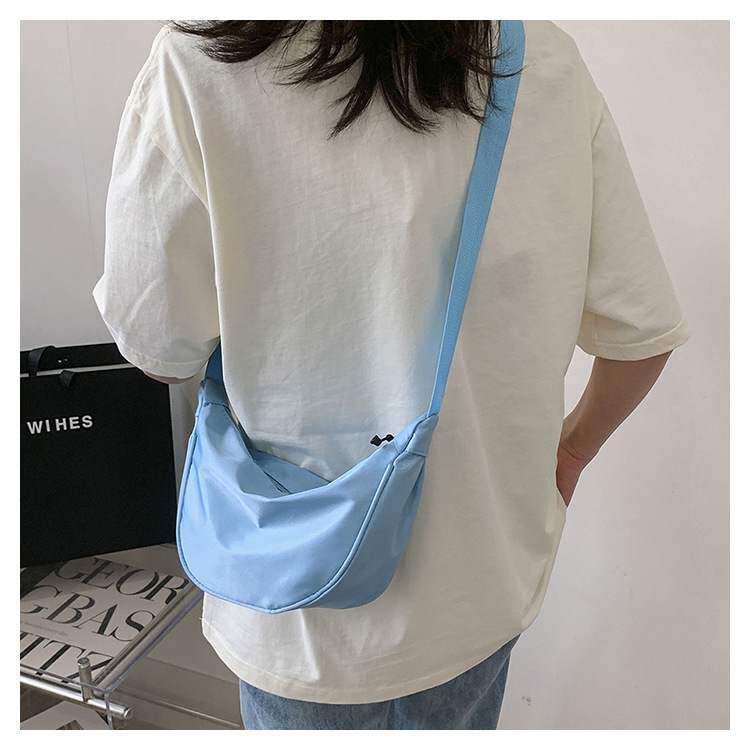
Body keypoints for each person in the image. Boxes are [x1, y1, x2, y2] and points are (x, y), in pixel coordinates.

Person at [93, 20, 689, 730]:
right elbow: (641, 335)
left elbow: (155, 346)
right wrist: (571, 452)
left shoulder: (198, 64)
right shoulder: (540, 60)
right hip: (476, 585)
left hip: (295, 603)